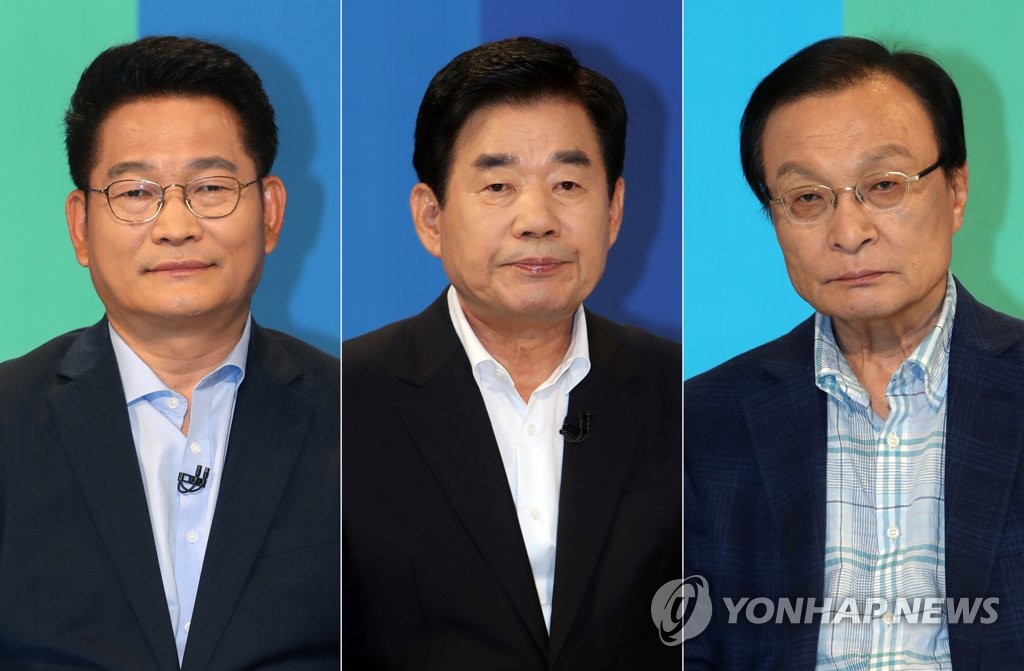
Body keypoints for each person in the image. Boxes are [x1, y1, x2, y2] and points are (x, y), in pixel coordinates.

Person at [685, 36, 1024, 669]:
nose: (848, 232)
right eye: (808, 198)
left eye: (884, 185)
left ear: (956, 190)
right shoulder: (699, 423)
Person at [0, 36, 339, 669]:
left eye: (210, 187)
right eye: (135, 193)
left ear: (270, 212)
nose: (176, 226)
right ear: (80, 226)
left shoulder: (362, 419)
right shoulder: (7, 417)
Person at [343, 37, 681, 669]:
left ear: (613, 212)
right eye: (498, 185)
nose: (537, 219)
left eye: (567, 183)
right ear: (431, 217)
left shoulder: (685, 394)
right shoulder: (339, 404)